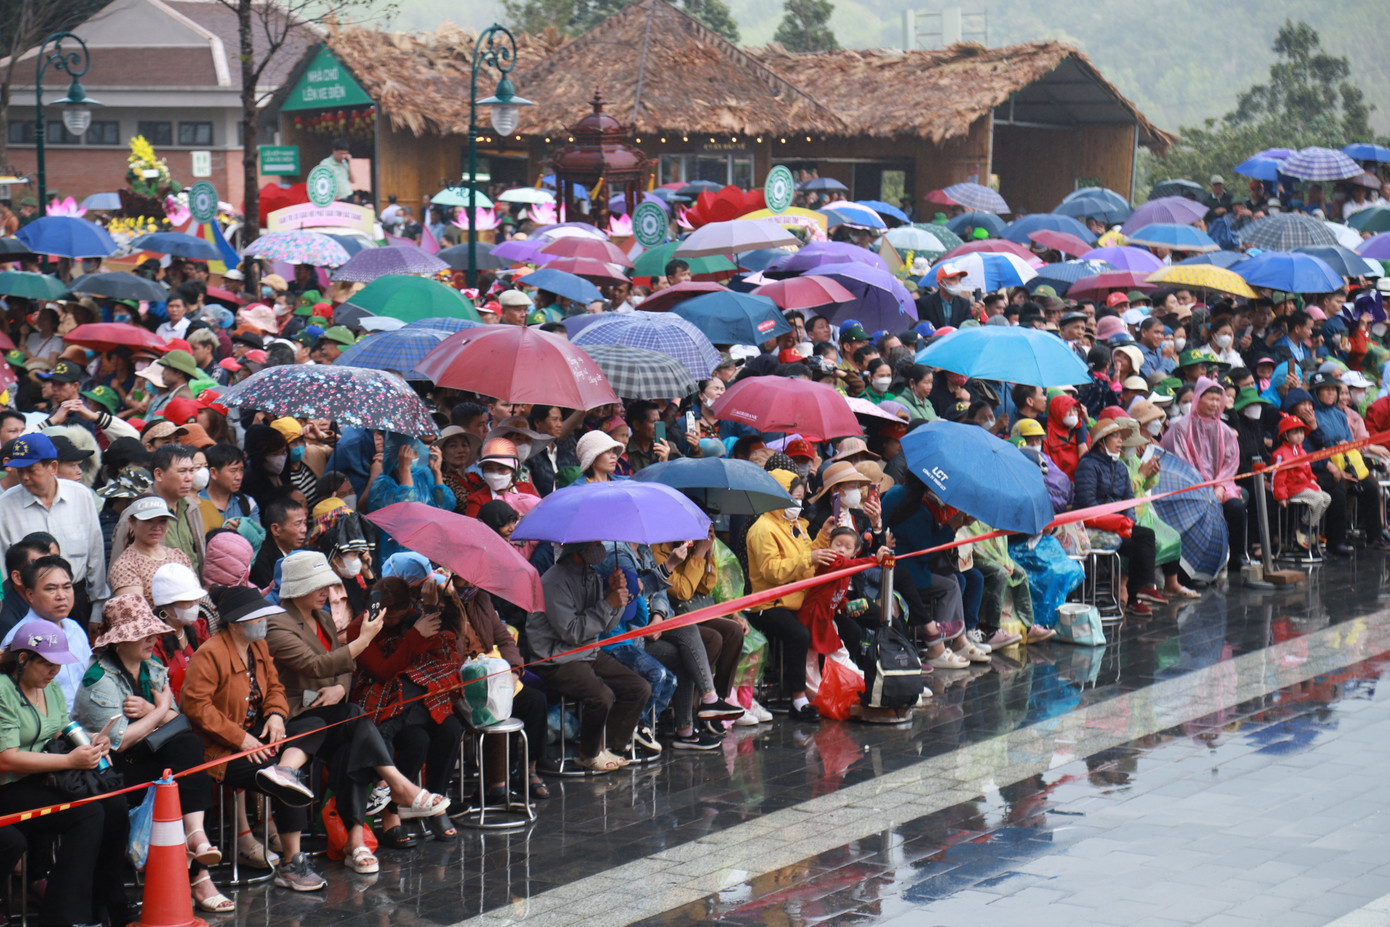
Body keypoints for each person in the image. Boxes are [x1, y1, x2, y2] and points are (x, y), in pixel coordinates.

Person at [267, 552, 450, 874]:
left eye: (328, 583)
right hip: (298, 713)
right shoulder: (277, 624)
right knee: (356, 717)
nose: (326, 590)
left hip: (331, 708)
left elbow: (341, 665)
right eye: (317, 584)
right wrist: (365, 639)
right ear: (296, 588)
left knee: (352, 741)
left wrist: (339, 686)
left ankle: (356, 838)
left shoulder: (322, 617)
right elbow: (315, 664)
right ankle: (397, 786)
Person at [73, 594, 234, 913]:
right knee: (183, 763)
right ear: (120, 641)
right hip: (112, 768)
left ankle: (196, 838)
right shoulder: (99, 679)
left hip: (152, 757)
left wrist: (152, 711)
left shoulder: (153, 666)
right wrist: (158, 712)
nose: (152, 639)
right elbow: (118, 742)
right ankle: (199, 872)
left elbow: (179, 720)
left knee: (188, 748)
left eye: (152, 632)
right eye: (142, 634)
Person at [0, 620, 132, 927]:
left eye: (58, 665)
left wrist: (93, 741)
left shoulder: (51, 689)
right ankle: (64, 916)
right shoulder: (4, 691)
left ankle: (103, 902)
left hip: (37, 780)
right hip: (7, 788)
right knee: (86, 814)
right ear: (23, 659)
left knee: (112, 804)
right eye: (47, 664)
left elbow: (61, 730)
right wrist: (72, 761)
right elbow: (6, 758)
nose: (54, 672)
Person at [526, 541, 650, 772]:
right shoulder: (553, 581)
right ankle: (589, 753)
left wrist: (615, 597)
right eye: (593, 542)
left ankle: (613, 747)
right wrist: (607, 603)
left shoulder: (590, 575)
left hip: (587, 650)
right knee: (601, 695)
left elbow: (605, 624)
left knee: (639, 687)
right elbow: (571, 632)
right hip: (556, 658)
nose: (599, 547)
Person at [744, 469, 835, 721]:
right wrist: (809, 557)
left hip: (797, 598)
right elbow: (772, 571)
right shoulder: (763, 528)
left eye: (800, 497)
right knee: (799, 635)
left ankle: (827, 686)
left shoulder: (795, 525)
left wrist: (823, 537)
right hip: (768, 604)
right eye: (793, 496)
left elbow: (806, 557)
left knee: (833, 622)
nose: (799, 502)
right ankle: (798, 698)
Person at [0, 434, 107, 628]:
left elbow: (95, 555)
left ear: (53, 467)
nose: (24, 477)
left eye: (31, 470)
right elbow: (4, 568)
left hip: (77, 600)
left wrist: (98, 609)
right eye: (20, 471)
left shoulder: (80, 496)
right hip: (29, 606)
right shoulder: (5, 506)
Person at [1071, 420, 1165, 616]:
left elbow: (1128, 500)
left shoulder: (1120, 468)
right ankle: (1135, 594)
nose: (1120, 441)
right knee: (1137, 543)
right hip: (1093, 522)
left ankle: (1139, 593)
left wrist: (1127, 522)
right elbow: (1088, 503)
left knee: (1146, 536)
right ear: (1101, 441)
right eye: (1115, 436)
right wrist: (1113, 521)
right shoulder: (1087, 465)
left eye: (1121, 437)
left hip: (1116, 523)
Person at [1161, 376, 1248, 567]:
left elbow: (1231, 464)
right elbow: (1180, 462)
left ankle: (1237, 556)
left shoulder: (1225, 431)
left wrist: (1220, 487)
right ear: (1198, 398)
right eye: (1210, 399)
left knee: (1236, 508)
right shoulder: (1181, 429)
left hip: (1220, 486)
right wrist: (1201, 487)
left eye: (1218, 400)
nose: (1215, 404)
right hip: (1190, 486)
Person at [107, 495, 193, 607]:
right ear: (132, 523)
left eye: (162, 521)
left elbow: (197, 597)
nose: (156, 527)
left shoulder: (179, 556)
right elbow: (136, 613)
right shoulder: (126, 565)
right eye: (148, 521)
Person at [1270, 413, 1332, 549]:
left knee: (1326, 498)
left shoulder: (1303, 452)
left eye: (1301, 432)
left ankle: (1310, 525)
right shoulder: (1280, 454)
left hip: (1305, 486)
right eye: (1295, 433)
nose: (1300, 436)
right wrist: (1281, 496)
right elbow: (1277, 477)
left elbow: (1308, 473)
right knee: (1317, 499)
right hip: (1291, 488)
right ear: (1285, 435)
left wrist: (1313, 481)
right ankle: (1305, 528)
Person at [463, 437, 541, 518]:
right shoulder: (477, 501)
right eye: (489, 469)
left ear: (513, 471)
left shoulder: (526, 489)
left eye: (501, 469)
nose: (495, 474)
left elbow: (541, 515)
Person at [251, 496, 308, 588]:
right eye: (297, 524)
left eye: (304, 523)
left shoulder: (305, 551)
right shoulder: (262, 560)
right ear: (276, 529)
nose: (304, 530)